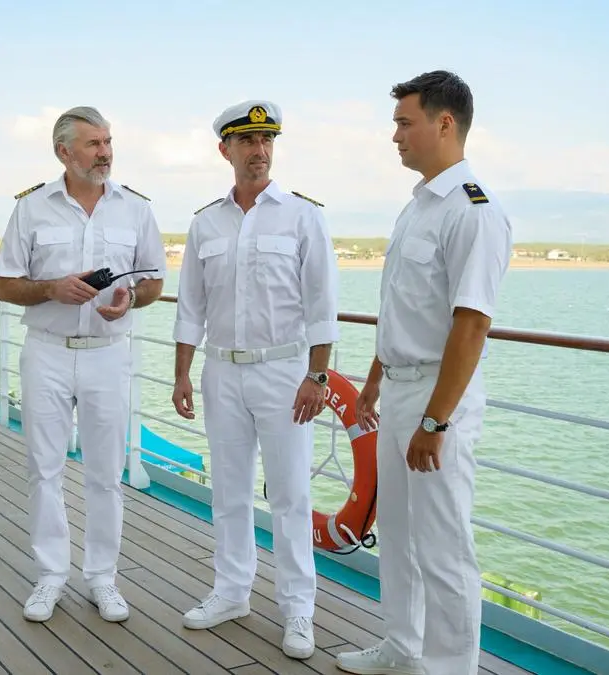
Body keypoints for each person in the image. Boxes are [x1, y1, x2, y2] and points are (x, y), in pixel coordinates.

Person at [334, 71, 513, 675]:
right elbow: (402, 309)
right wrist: (373, 382)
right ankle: (401, 648)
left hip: (439, 399)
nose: (395, 136)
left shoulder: (473, 212)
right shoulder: (418, 208)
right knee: (399, 536)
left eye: (404, 123)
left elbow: (471, 324)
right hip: (399, 389)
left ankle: (449, 667)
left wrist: (435, 422)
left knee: (443, 549)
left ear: (445, 123)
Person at [171, 100, 339, 660]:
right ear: (226, 150)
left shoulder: (303, 216)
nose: (259, 150)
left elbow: (322, 306)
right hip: (221, 370)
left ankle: (298, 609)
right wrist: (181, 374)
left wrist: (318, 375)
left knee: (290, 495)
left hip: (285, 371)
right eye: (247, 141)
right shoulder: (206, 222)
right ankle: (231, 591)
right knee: (229, 490)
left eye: (267, 140)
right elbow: (191, 307)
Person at [0, 105, 166, 625]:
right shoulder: (31, 208)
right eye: (93, 144)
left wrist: (131, 299)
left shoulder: (136, 208)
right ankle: (50, 575)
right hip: (46, 351)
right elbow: (5, 285)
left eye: (108, 142)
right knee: (44, 469)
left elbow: (154, 282)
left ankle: (102, 578)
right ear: (63, 152)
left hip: (107, 355)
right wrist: (51, 288)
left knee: (106, 473)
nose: (105, 152)